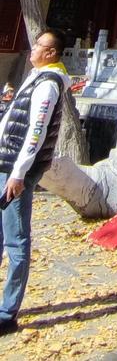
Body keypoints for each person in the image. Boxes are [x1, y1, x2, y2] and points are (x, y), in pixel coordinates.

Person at [0, 28, 69, 334]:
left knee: (16, 238)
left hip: (16, 168)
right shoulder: (36, 76)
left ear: (51, 52)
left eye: (39, 46)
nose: (32, 49)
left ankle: (7, 311)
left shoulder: (49, 84)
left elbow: (36, 132)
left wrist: (19, 173)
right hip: (5, 160)